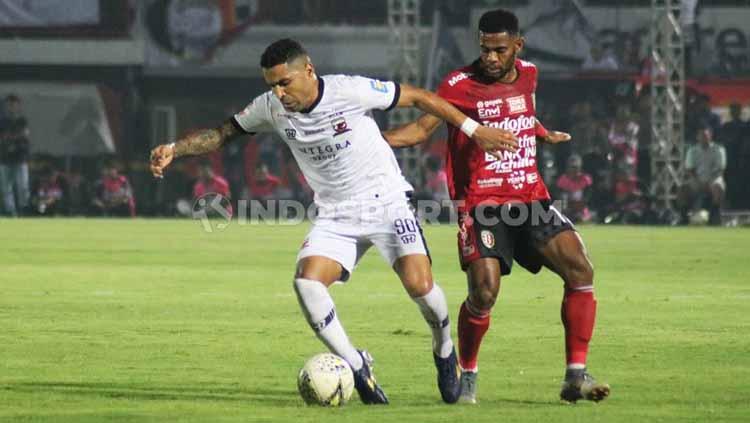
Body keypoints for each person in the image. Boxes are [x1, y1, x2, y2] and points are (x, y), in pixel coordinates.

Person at [149, 38, 518, 405]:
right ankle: (358, 367)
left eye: (284, 83)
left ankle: (443, 348)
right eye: (272, 86)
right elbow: (223, 133)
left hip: (387, 202)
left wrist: (474, 130)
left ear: (308, 70)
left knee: (421, 288)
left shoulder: (350, 90)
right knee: (306, 283)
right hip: (335, 213)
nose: (278, 93)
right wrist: (174, 149)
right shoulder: (270, 108)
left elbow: (421, 98)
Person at [383, 9, 610, 404]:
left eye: (498, 50)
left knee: (580, 268)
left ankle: (576, 374)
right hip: (482, 205)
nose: (489, 57)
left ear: (517, 47)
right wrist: (371, 139)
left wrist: (541, 132)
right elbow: (420, 130)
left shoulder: (529, 74)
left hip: (530, 196)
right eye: (484, 48)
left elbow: (519, 114)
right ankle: (466, 373)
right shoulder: (458, 84)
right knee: (485, 292)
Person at [679, 125, 726, 225]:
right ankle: (683, 216)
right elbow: (690, 169)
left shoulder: (719, 149)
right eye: (701, 135)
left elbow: (720, 168)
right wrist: (698, 181)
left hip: (713, 178)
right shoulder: (692, 150)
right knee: (682, 188)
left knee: (718, 186)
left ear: (710, 136)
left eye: (705, 135)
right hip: (697, 179)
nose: (703, 138)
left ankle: (714, 215)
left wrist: (709, 180)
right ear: (697, 137)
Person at [0, 94, 31, 216]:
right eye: (9, 105)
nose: (11, 107)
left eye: (14, 105)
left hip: (20, 158)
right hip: (4, 159)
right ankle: (11, 212)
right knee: (6, 189)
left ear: (18, 106)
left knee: (23, 187)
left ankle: (24, 211)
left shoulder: (22, 121)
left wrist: (11, 139)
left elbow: (25, 137)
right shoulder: (2, 122)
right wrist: (11, 139)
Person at [556, 154, 593, 223]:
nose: (573, 170)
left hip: (581, 208)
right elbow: (559, 196)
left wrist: (582, 203)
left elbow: (588, 195)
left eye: (575, 167)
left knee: (583, 219)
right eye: (572, 167)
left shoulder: (585, 179)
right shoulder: (563, 179)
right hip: (567, 207)